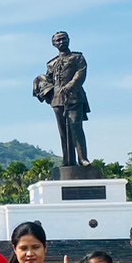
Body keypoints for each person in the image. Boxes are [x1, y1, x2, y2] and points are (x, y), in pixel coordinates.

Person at [35, 30, 91, 167]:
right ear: (54, 44)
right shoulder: (52, 63)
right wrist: (41, 84)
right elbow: (49, 79)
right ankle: (68, 159)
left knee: (76, 127)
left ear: (68, 40)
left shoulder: (77, 57)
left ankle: (83, 159)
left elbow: (80, 73)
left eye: (63, 39)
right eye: (58, 40)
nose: (61, 42)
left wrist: (70, 86)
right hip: (57, 99)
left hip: (74, 97)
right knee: (63, 132)